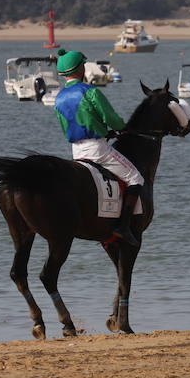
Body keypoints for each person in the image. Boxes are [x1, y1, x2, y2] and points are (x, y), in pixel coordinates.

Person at [53, 48, 145, 246]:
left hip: (76, 151)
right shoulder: (90, 91)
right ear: (80, 69)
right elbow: (111, 118)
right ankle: (123, 227)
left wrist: (103, 129)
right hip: (98, 150)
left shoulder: (59, 97)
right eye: (84, 65)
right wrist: (122, 128)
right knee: (135, 177)